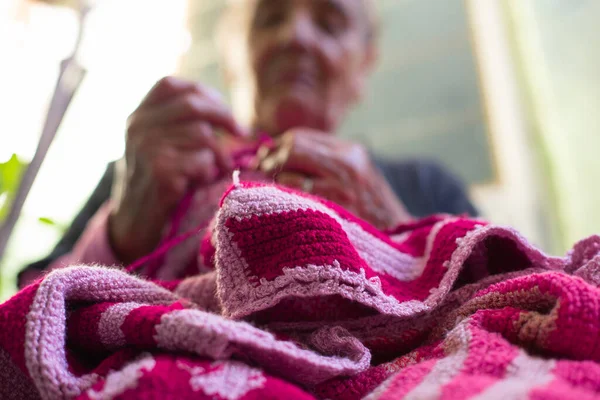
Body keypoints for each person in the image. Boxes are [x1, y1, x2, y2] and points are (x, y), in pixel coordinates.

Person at [18, 0, 477, 288]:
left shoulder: (425, 187)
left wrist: (395, 231)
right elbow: (28, 325)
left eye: (330, 22)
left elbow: (505, 304)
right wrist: (123, 232)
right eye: (270, 17)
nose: (295, 36)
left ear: (364, 67)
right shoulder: (147, 170)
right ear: (235, 50)